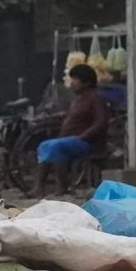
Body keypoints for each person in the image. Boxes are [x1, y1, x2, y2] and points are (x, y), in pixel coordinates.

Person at [33, 63, 110, 196]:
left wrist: (83, 136)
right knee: (44, 145)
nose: (72, 83)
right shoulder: (77, 100)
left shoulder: (95, 99)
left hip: (88, 143)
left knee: (56, 147)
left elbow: (101, 122)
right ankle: (39, 187)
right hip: (71, 140)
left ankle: (63, 187)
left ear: (86, 82)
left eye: (75, 79)